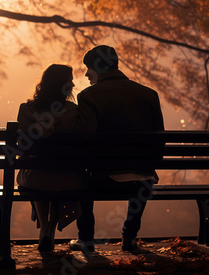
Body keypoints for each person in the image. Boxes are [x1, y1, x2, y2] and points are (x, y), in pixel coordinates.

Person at [69, 45, 165, 252]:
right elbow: (160, 137)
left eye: (88, 68)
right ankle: (129, 238)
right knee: (139, 178)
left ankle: (86, 239)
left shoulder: (88, 96)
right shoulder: (149, 94)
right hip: (144, 179)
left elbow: (84, 138)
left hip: (105, 179)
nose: (86, 74)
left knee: (80, 179)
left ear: (97, 67)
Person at [16, 64, 88, 252]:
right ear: (66, 86)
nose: (73, 84)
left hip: (36, 178)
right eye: (70, 81)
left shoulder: (26, 109)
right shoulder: (73, 111)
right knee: (57, 171)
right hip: (68, 179)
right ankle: (51, 229)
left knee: (38, 170)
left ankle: (45, 228)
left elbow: (21, 149)